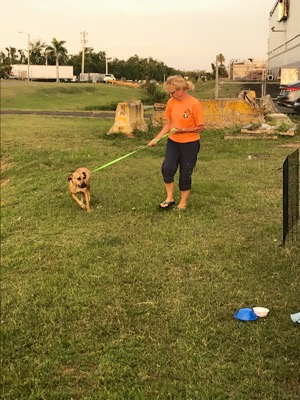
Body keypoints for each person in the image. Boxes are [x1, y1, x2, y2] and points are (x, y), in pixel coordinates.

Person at [147, 75, 204, 210]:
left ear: (182, 89)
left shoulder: (194, 103)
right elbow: (169, 123)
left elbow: (201, 126)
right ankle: (170, 198)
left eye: (173, 92)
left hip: (190, 143)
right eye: (169, 92)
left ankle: (183, 202)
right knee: (167, 167)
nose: (171, 95)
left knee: (185, 172)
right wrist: (156, 138)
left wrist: (183, 130)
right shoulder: (171, 102)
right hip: (173, 142)